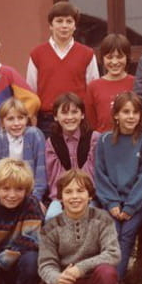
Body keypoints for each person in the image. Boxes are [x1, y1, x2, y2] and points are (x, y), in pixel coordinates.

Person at [39, 169, 120, 284]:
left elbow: (113, 253)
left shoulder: (103, 219)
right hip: (69, 282)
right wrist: (57, 278)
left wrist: (80, 268)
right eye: (68, 192)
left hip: (96, 280)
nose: (75, 197)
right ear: (60, 198)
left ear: (90, 196)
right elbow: (46, 264)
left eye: (80, 191)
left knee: (108, 272)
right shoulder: (51, 228)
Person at [94, 91, 142, 280]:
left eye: (135, 112)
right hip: (112, 203)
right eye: (126, 112)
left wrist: (130, 206)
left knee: (127, 233)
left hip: (137, 203)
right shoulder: (104, 140)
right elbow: (100, 174)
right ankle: (108, 280)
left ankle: (116, 281)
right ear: (116, 115)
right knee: (114, 233)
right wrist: (112, 203)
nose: (131, 116)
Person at [27, 1, 100, 137]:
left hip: (78, 119)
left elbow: (93, 89)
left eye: (69, 21)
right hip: (47, 121)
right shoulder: (37, 54)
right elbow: (31, 92)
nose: (64, 26)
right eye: (59, 21)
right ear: (51, 25)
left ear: (75, 26)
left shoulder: (87, 54)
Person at [45, 92, 100, 220]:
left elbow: (94, 175)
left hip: (89, 196)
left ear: (82, 115)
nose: (70, 117)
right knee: (52, 216)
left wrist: (82, 195)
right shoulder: (52, 143)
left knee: (89, 218)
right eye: (64, 113)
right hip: (63, 197)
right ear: (55, 117)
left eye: (74, 112)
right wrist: (67, 198)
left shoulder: (94, 139)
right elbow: (55, 180)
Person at [0, 97, 47, 202]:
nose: (16, 123)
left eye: (20, 118)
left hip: (31, 194)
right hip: (6, 196)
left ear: (26, 119)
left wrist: (35, 199)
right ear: (2, 122)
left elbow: (41, 172)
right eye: (10, 119)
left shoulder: (35, 135)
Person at [85, 33, 136, 133]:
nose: (114, 62)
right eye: (109, 57)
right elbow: (91, 122)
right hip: (103, 142)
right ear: (102, 58)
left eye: (119, 57)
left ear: (127, 57)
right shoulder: (93, 86)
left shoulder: (136, 83)